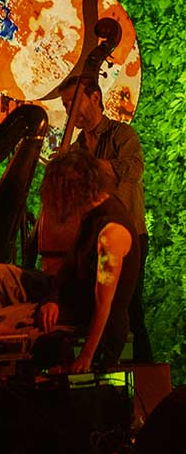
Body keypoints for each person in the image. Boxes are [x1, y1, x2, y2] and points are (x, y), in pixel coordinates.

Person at [0, 148, 140, 372]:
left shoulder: (111, 234)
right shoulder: (91, 213)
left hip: (85, 320)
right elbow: (67, 269)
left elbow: (103, 306)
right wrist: (52, 299)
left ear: (73, 191)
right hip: (67, 298)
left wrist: (86, 356)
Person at [58, 74, 150, 362]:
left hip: (130, 235)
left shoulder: (122, 134)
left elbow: (134, 169)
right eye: (65, 105)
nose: (70, 111)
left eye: (73, 103)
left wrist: (88, 166)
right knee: (97, 304)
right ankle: (101, 364)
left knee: (130, 308)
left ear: (95, 98)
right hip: (95, 239)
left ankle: (146, 374)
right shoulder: (77, 147)